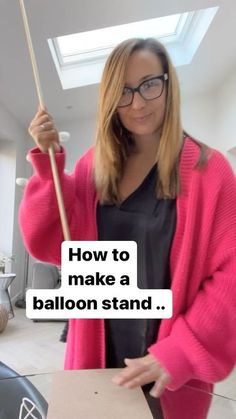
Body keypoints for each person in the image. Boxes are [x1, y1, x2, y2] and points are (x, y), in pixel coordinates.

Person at [19, 38, 236, 419]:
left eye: (150, 84)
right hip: (96, 356)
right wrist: (47, 167)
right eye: (124, 91)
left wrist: (180, 352)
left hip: (167, 371)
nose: (138, 102)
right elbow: (49, 243)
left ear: (169, 84)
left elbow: (231, 276)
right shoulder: (93, 167)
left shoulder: (209, 169)